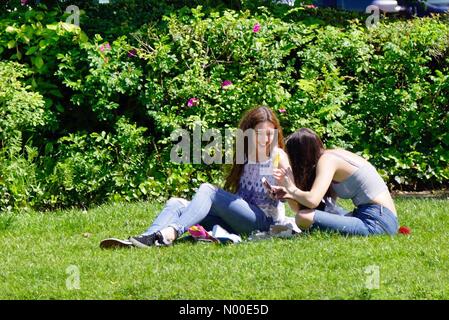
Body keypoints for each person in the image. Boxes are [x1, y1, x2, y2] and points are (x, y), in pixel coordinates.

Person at [100, 106, 296, 249]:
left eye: (270, 133)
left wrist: (284, 189)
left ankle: (172, 232)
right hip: (238, 219)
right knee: (176, 203)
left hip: (262, 221)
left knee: (208, 190)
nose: (266, 139)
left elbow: (291, 192)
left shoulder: (277, 156)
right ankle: (146, 239)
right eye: (260, 133)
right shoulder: (244, 155)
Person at [271, 128, 399, 236]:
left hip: (377, 221)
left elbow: (312, 200)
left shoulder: (328, 161)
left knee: (303, 217)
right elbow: (326, 206)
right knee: (305, 216)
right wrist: (288, 194)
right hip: (374, 216)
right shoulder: (330, 157)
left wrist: (291, 188)